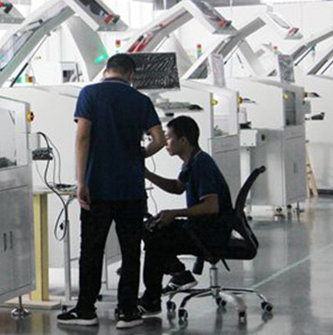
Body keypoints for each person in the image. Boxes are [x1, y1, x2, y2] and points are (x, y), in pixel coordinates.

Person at [57, 54, 165, 329]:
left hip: (98, 188)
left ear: (106, 71)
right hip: (132, 189)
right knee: (131, 251)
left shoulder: (89, 94)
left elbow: (83, 136)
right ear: (131, 76)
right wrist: (140, 154)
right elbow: (160, 140)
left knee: (92, 250)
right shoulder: (141, 100)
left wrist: (81, 182)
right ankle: (128, 311)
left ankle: (86, 310)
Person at [137, 115, 233, 316]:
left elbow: (211, 206)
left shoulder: (201, 164)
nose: (165, 143)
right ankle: (178, 274)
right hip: (200, 226)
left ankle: (152, 298)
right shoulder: (193, 161)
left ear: (183, 140)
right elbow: (177, 187)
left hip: (210, 231)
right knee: (153, 227)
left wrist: (175, 213)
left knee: (155, 236)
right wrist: (145, 173)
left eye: (168, 138)